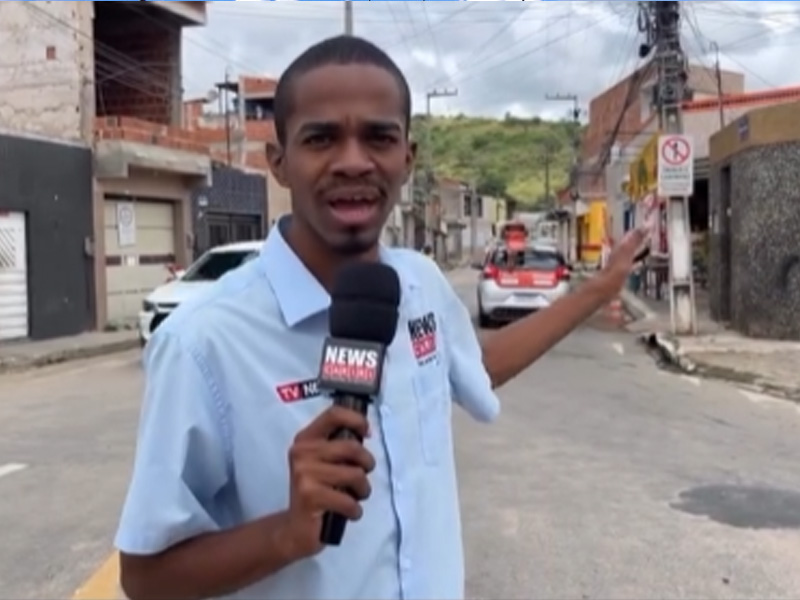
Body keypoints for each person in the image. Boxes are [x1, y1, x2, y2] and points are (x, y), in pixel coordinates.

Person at [115, 35, 646, 600]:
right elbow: (145, 577)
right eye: (321, 138)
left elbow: (476, 365)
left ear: (407, 158)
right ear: (279, 163)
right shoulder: (202, 344)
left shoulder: (420, 285)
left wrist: (596, 292)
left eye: (379, 137)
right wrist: (286, 533)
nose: (353, 161)